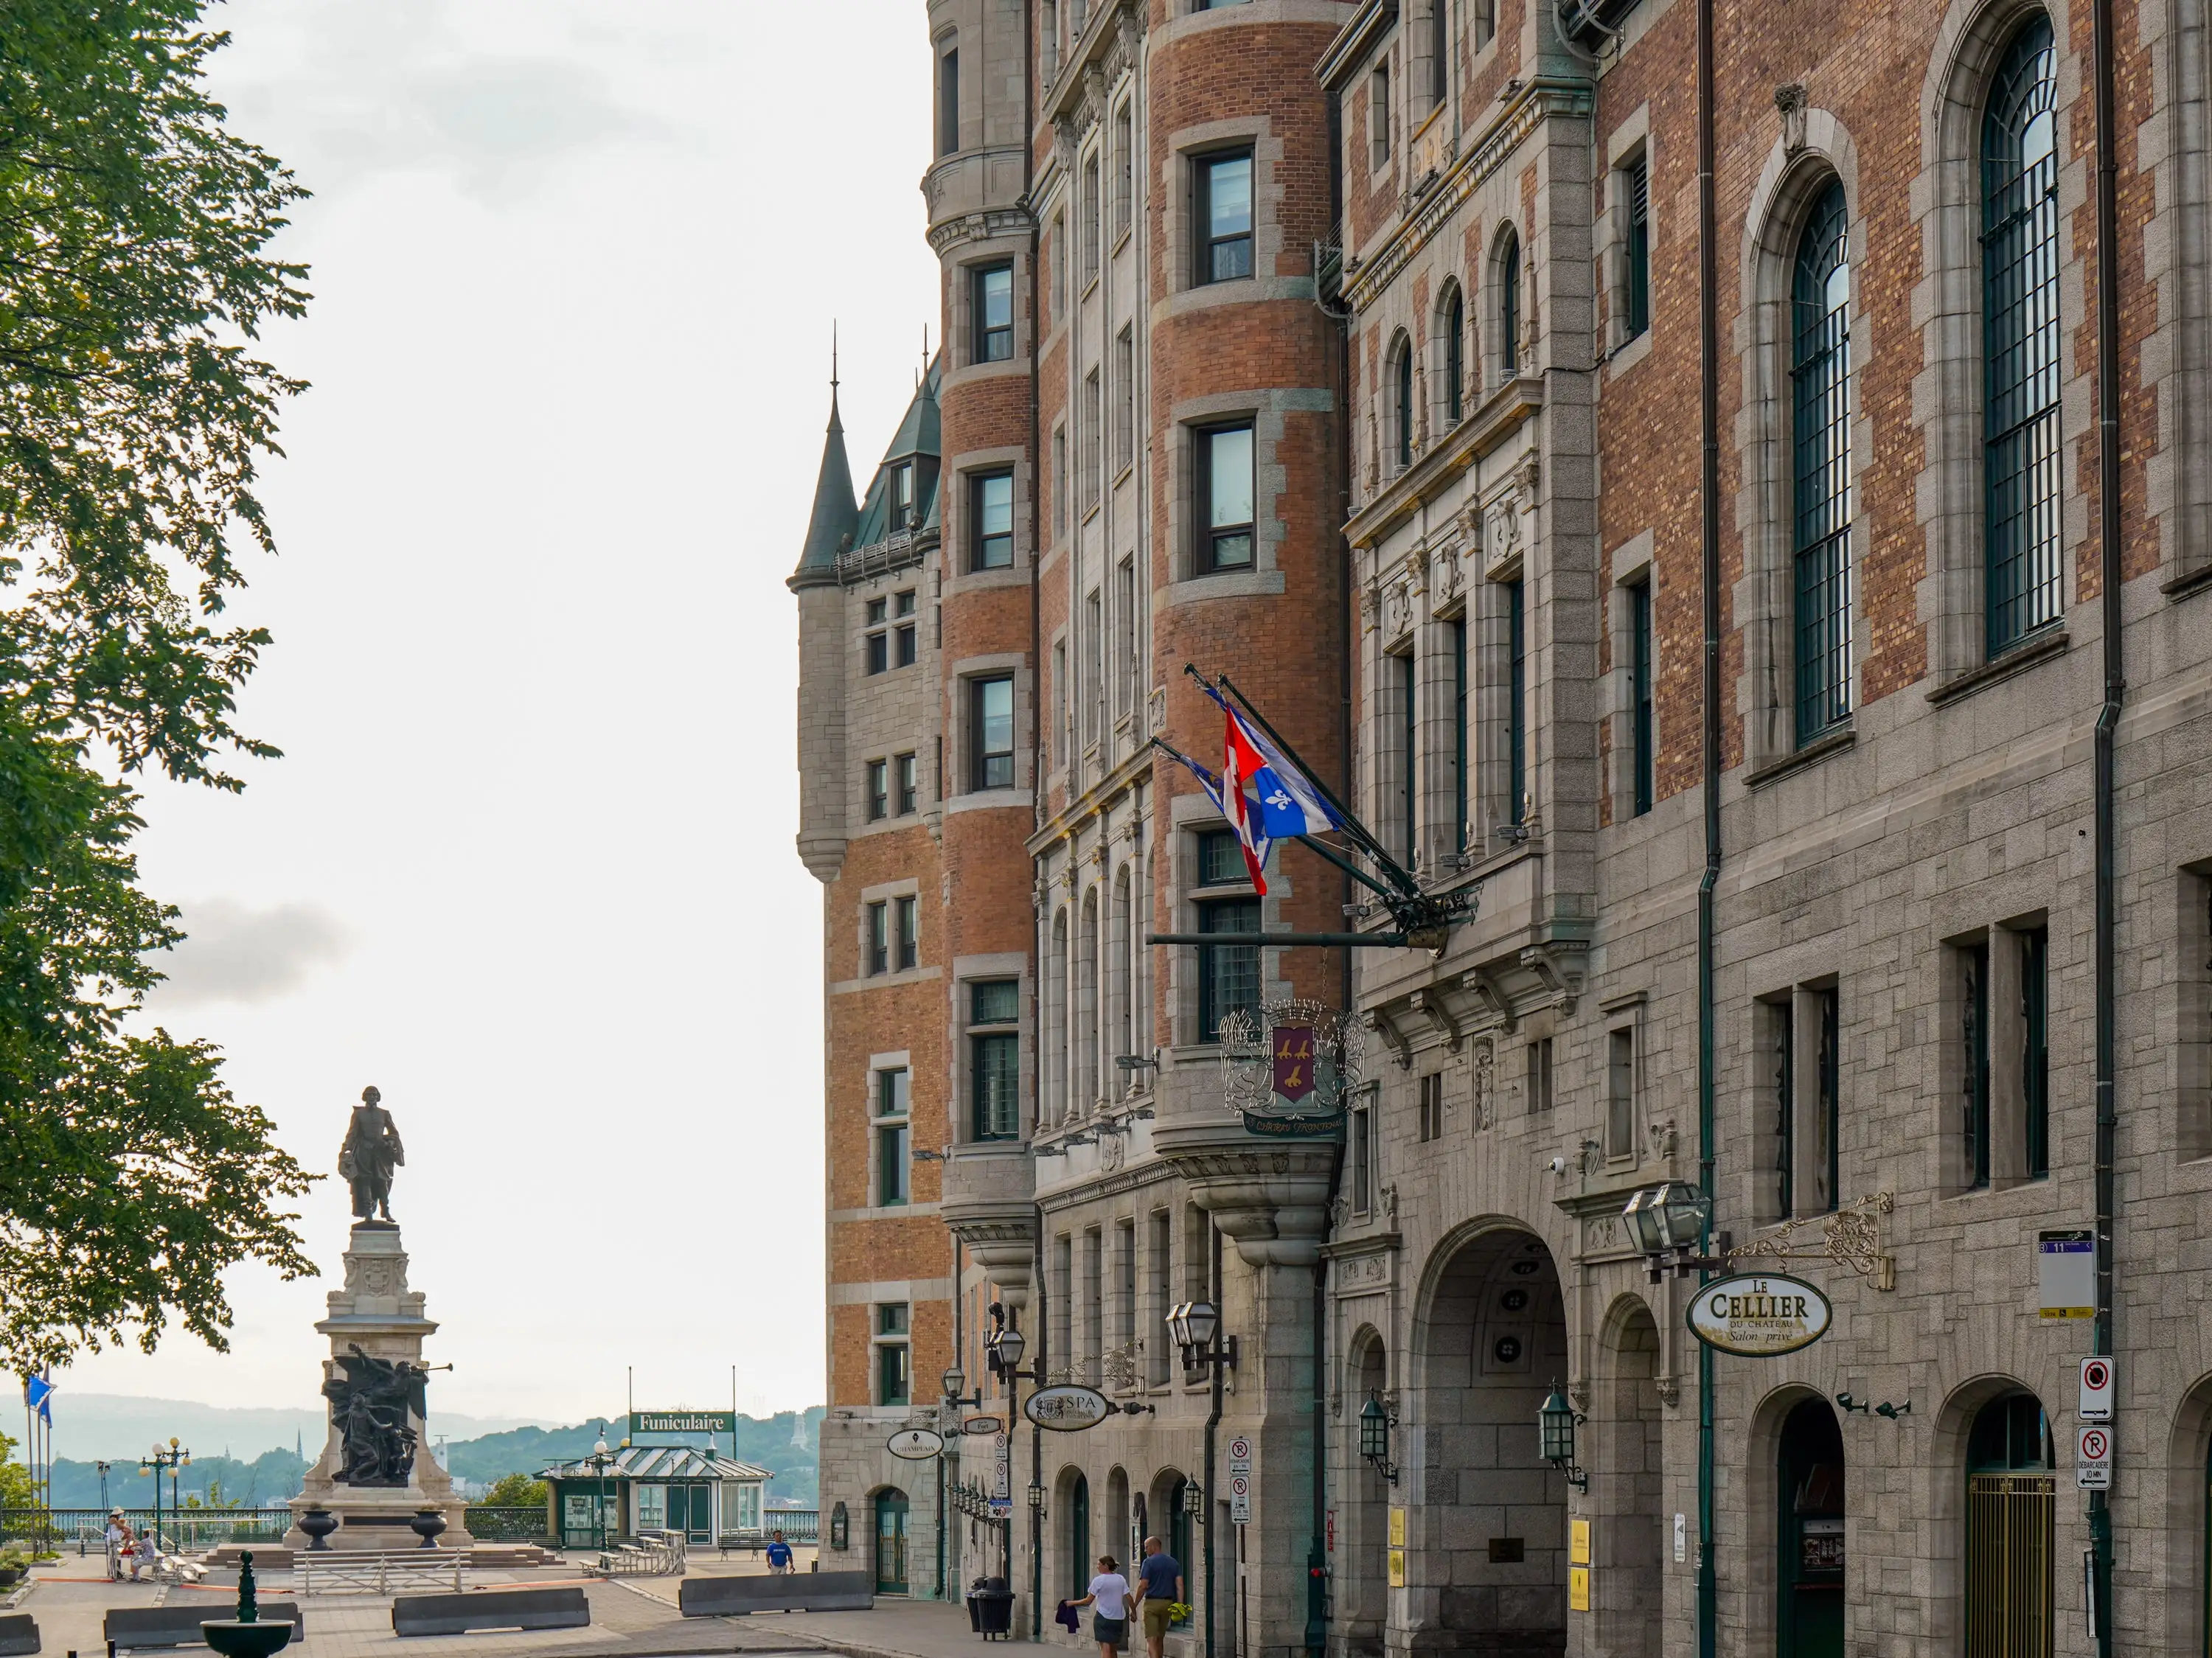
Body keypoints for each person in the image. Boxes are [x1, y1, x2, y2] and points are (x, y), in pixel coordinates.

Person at [1062, 1553, 1131, 1658]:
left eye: (1099, 1564)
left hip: (1103, 1617)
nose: (1097, 1566)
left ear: (1106, 1566)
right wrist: (1133, 1612)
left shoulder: (1099, 1580)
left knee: (1105, 1648)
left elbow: (1088, 1600)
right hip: (1118, 1618)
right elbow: (1129, 1597)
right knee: (1113, 1649)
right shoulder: (1120, 1579)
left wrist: (1071, 1603)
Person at [1132, 1534, 1185, 1658]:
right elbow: (1180, 1584)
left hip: (1152, 1604)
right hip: (1168, 1603)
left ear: (1154, 1547)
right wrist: (1180, 1604)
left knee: (1151, 1639)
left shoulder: (1148, 1562)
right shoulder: (1173, 1563)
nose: (1145, 1550)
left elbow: (1143, 1585)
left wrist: (1134, 1605)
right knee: (1160, 1638)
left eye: (1146, 1547)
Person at [103, 1509, 125, 1581]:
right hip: (113, 1539)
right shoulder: (113, 1519)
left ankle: (118, 1571)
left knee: (115, 1556)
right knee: (115, 1556)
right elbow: (121, 1527)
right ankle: (117, 1572)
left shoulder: (115, 1519)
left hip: (114, 1538)